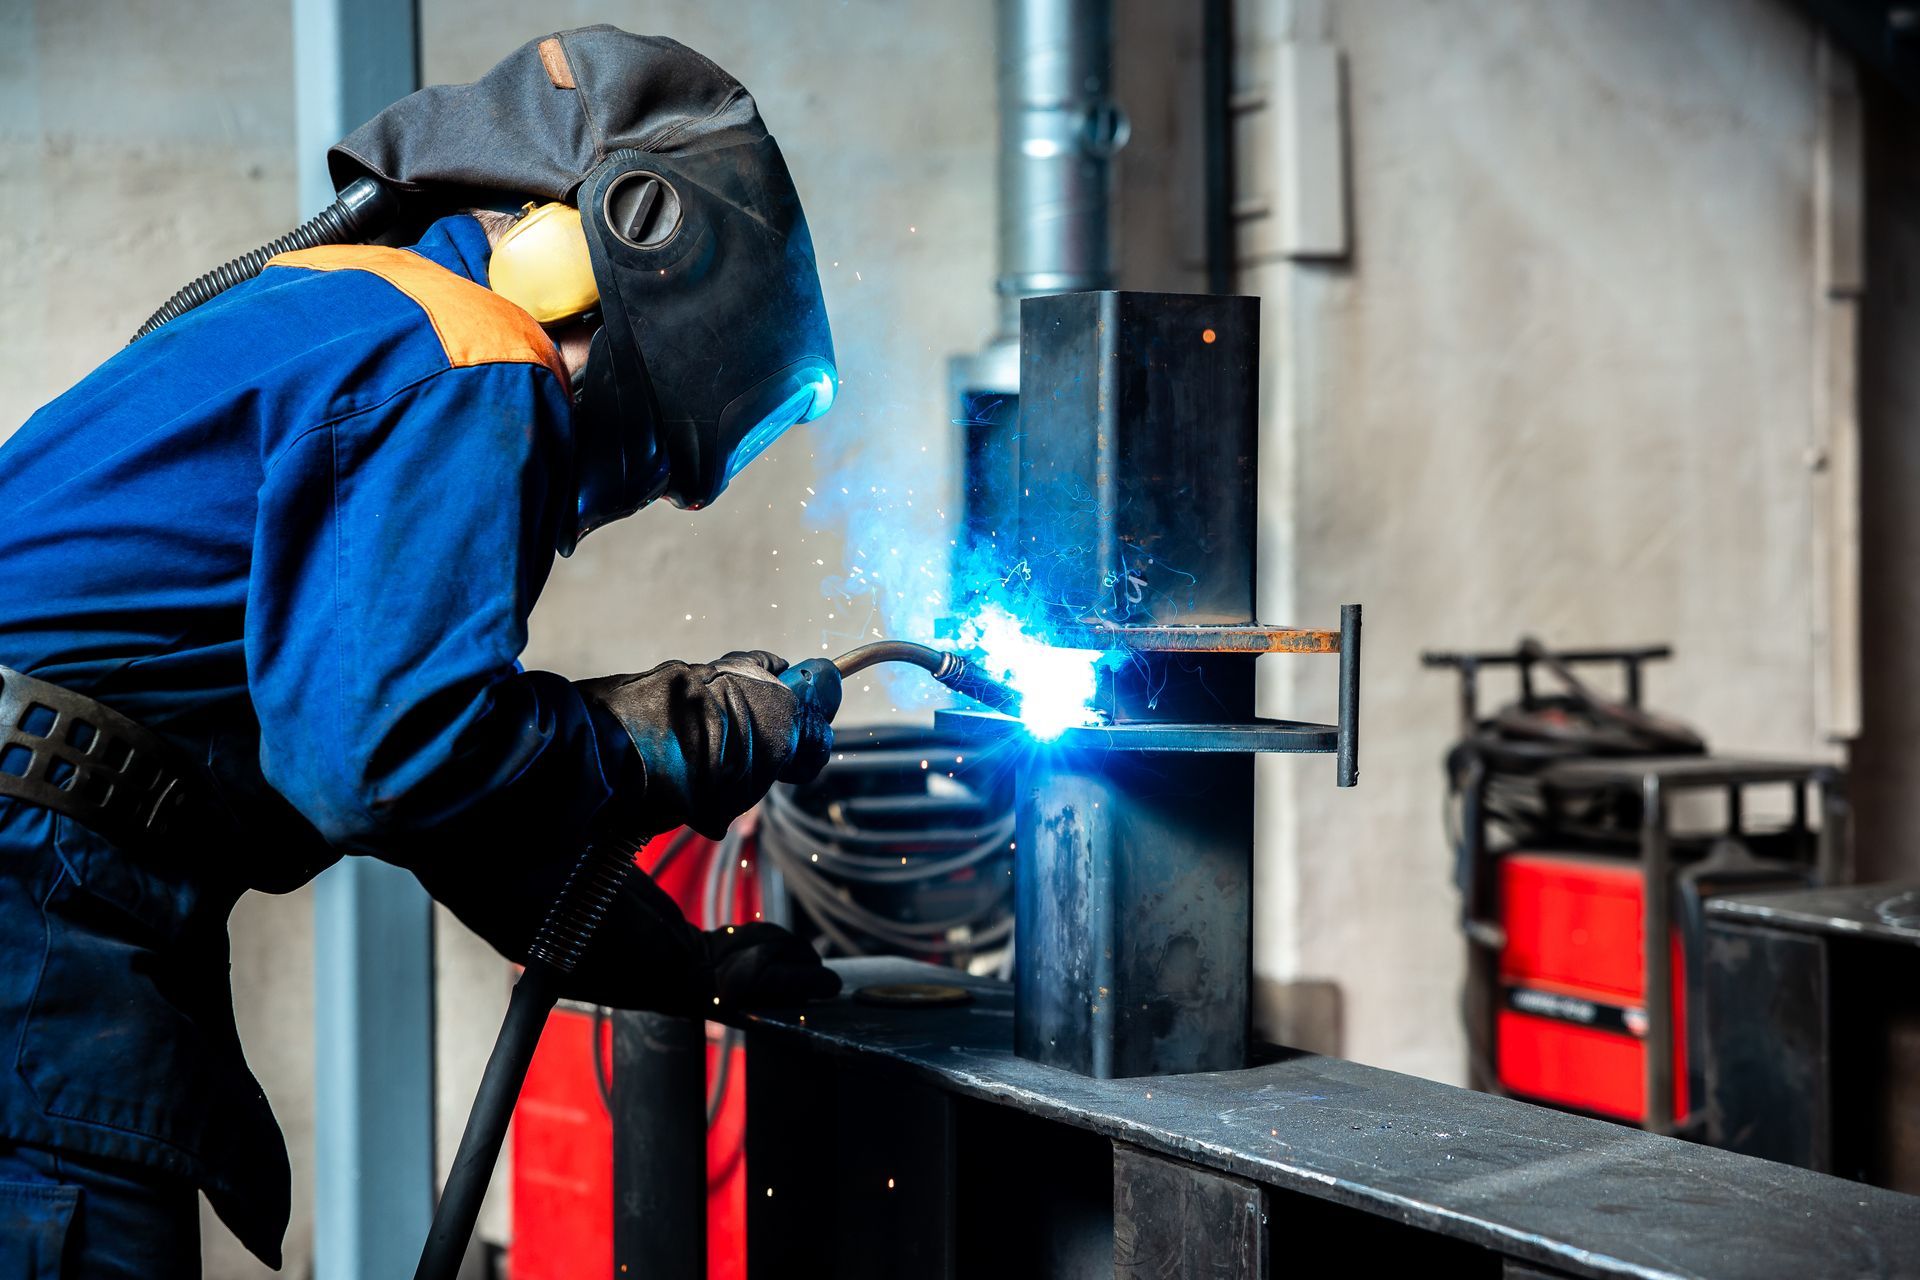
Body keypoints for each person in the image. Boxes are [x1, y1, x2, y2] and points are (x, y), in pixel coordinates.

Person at [0, 27, 840, 1276]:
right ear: (606, 266)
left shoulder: (342, 312)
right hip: (37, 912)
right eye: (652, 443)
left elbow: (452, 798)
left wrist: (681, 962)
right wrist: (676, 734)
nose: (617, 496)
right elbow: (390, 756)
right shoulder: (469, 353)